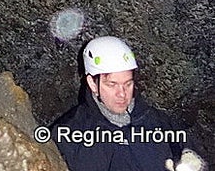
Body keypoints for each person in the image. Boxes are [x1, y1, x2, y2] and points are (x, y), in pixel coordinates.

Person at [52, 35, 206, 171]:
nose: (122, 94)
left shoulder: (163, 126)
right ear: (92, 83)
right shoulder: (67, 135)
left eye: (128, 84)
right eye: (112, 84)